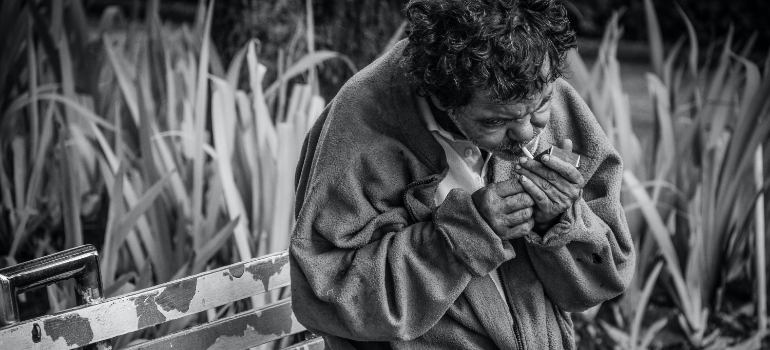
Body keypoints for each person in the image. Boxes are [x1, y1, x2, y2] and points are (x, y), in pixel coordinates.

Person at [290, 0, 635, 348]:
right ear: (440, 97)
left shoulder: (534, 78)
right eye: (496, 121)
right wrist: (464, 234)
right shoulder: (360, 126)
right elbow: (327, 295)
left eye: (542, 104)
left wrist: (560, 221)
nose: (529, 132)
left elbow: (607, 274)